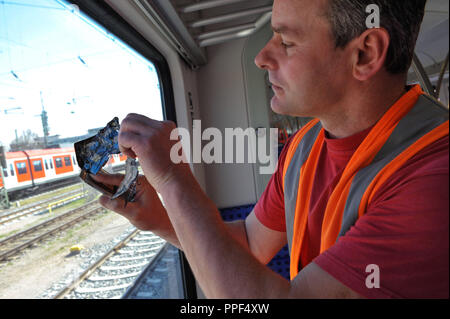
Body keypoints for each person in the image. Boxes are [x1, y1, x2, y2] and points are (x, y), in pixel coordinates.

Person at [94, 0, 448, 298]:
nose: (261, 57)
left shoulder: (435, 177)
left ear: (364, 54)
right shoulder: (302, 148)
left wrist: (173, 180)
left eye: (286, 41)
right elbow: (250, 243)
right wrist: (159, 216)